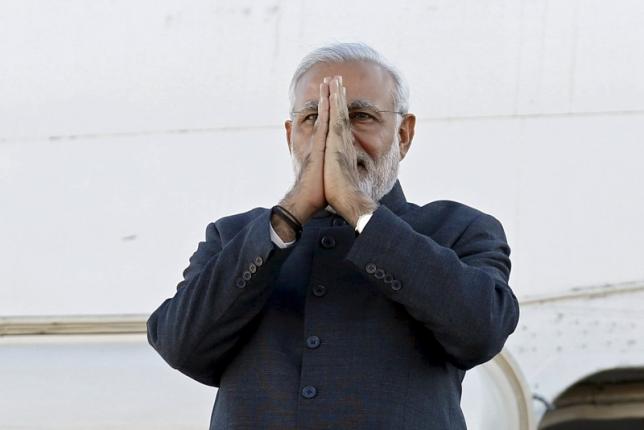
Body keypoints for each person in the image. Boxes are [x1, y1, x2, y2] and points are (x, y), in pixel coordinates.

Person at [147, 42, 520, 430]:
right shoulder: (234, 236)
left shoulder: (458, 229)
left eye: (359, 116)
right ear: (291, 135)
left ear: (404, 135)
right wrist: (288, 216)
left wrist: (359, 209)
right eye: (314, 118)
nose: (337, 137)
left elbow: (482, 330)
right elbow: (179, 344)